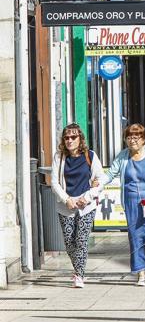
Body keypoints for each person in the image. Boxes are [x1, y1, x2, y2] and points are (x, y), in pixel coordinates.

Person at [100, 124, 145, 286]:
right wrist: (97, 184)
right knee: (135, 237)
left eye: (136, 138)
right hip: (131, 203)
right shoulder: (122, 156)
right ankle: (141, 272)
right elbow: (110, 174)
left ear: (143, 140)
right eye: (129, 138)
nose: (132, 141)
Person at [51, 123, 105, 288]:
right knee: (69, 243)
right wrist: (66, 198)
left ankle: (79, 274)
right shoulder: (59, 156)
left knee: (81, 240)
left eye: (73, 137)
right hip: (65, 205)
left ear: (80, 138)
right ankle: (78, 269)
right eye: (66, 137)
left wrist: (87, 197)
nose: (70, 140)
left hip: (86, 206)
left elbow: (101, 180)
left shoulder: (90, 156)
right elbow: (54, 182)